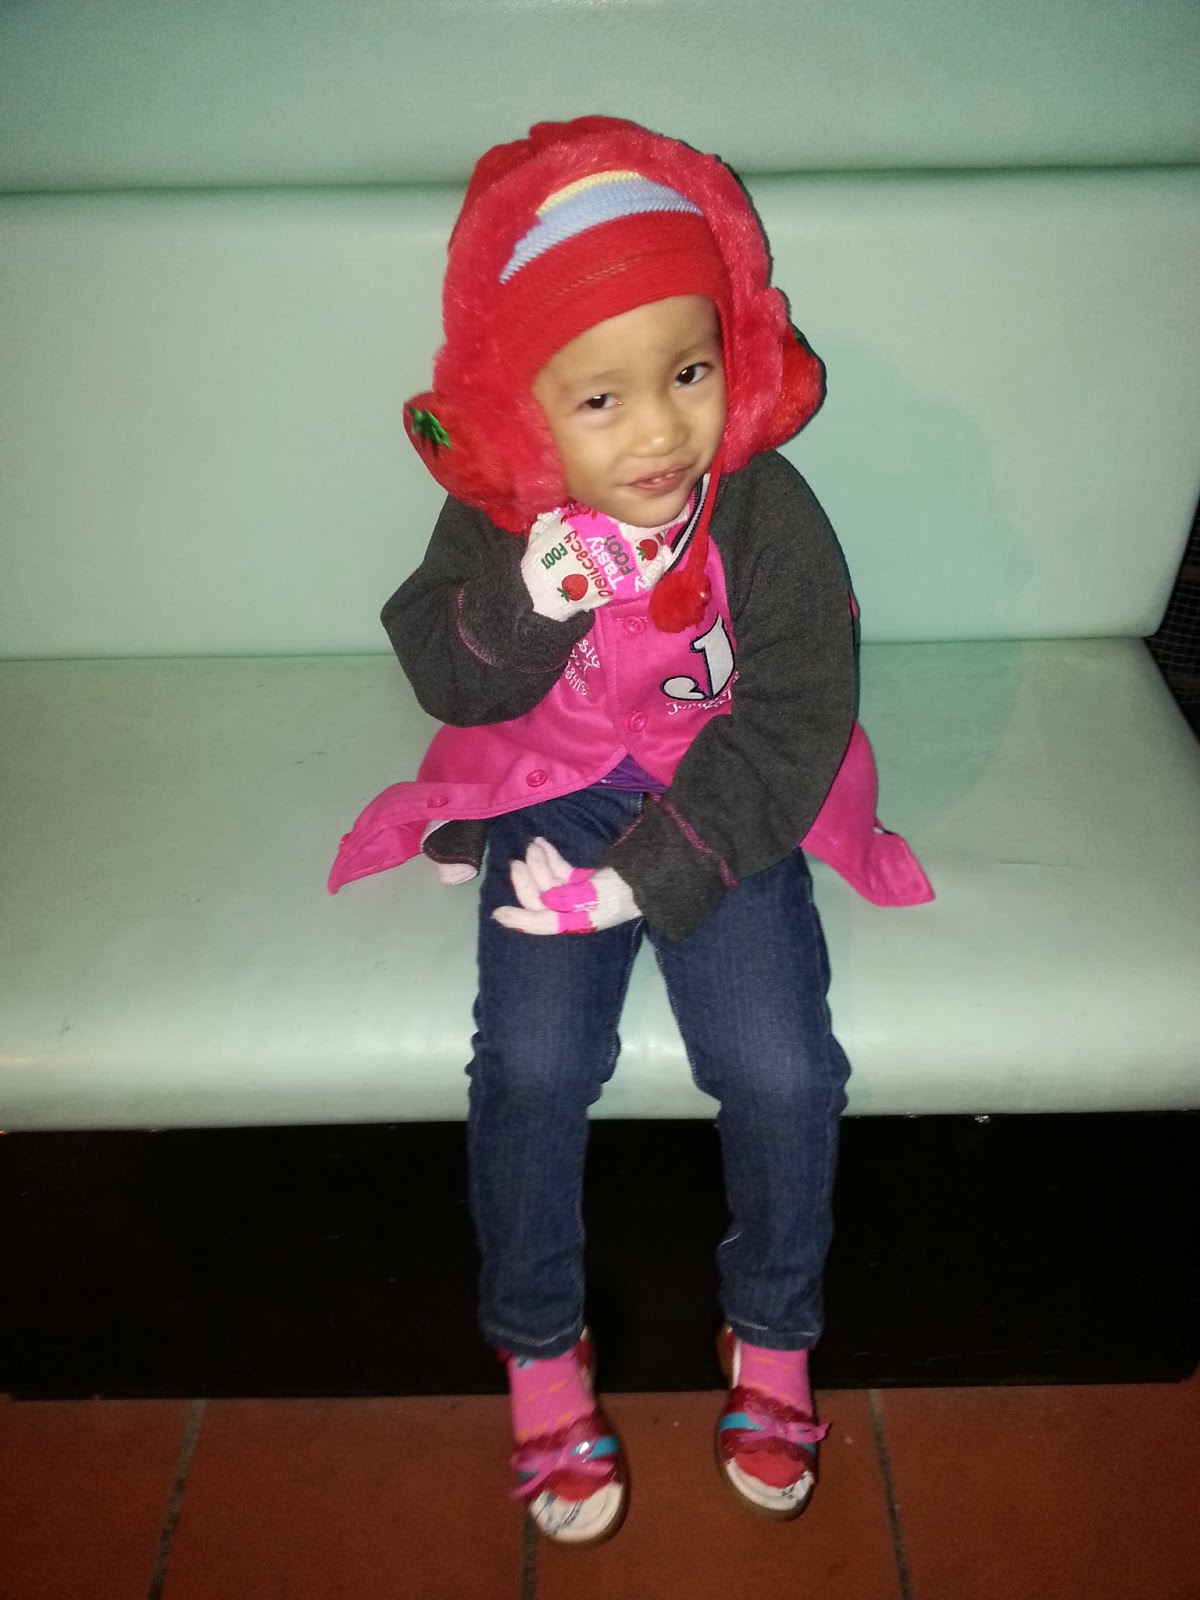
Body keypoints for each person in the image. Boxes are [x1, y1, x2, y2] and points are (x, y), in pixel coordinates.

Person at [329, 116, 931, 1546]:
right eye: (601, 400)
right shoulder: (497, 516)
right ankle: (539, 1345)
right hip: (548, 788)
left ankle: (771, 1328)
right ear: (523, 409)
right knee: (533, 1062)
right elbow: (441, 666)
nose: (660, 431)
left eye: (689, 374)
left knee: (784, 1067)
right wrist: (527, 600)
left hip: (716, 800)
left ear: (738, 359)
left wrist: (644, 879)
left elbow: (795, 713)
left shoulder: (765, 511)